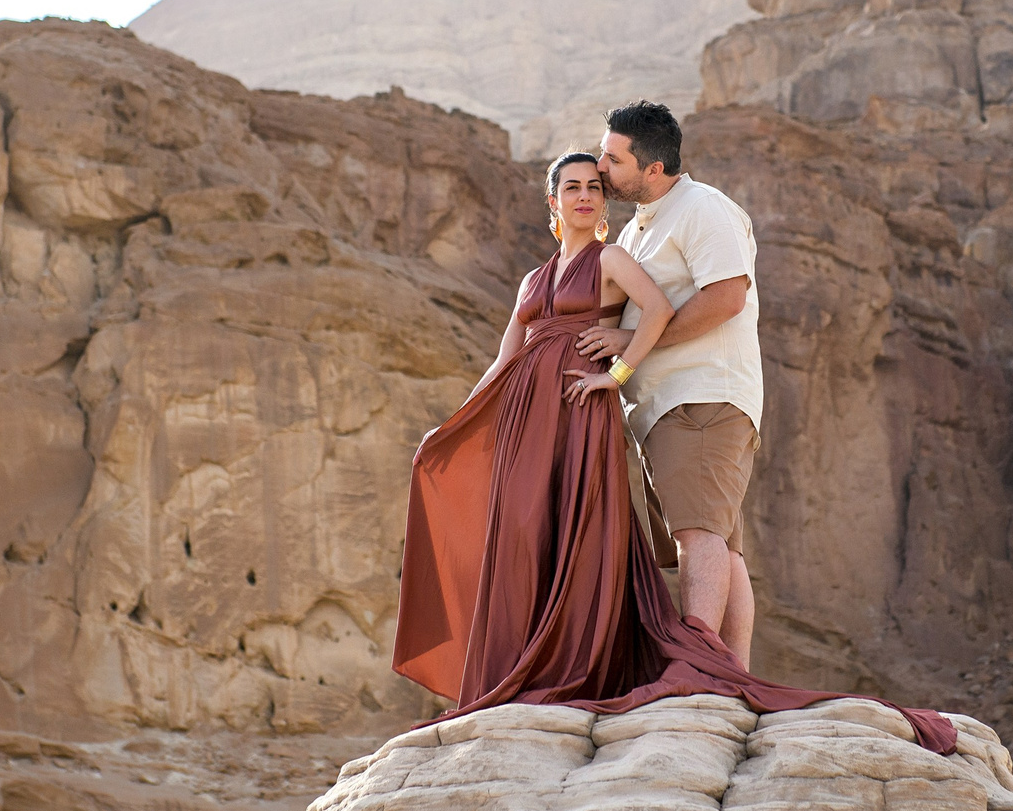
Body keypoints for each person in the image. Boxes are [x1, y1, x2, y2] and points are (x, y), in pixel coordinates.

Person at [392, 151, 954, 752]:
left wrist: (617, 373)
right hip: (526, 423)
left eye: (593, 187)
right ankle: (522, 668)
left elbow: (659, 311)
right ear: (552, 202)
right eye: (571, 187)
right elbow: (506, 360)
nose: (584, 196)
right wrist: (453, 425)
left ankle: (602, 666)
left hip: (581, 413)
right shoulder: (533, 279)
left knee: (579, 533)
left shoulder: (612, 258)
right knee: (525, 536)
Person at [576, 100, 761, 665]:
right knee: (718, 542)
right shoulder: (641, 228)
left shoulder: (703, 208)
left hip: (700, 397)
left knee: (698, 535)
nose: (601, 168)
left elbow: (726, 298)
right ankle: (732, 676)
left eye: (613, 159)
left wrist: (633, 344)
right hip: (667, 407)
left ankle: (695, 663)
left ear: (653, 168)